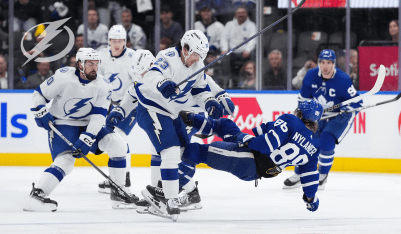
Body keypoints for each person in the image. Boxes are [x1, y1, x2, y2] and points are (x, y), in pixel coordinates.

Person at [106, 30, 224, 220]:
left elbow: (202, 88)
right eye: (195, 54)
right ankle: (166, 197)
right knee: (168, 151)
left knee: (180, 153)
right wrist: (119, 111)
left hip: (177, 113)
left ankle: (176, 193)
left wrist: (210, 101)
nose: (197, 59)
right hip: (153, 110)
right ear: (185, 49)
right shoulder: (166, 58)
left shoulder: (196, 63)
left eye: (200, 56)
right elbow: (148, 79)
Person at [143, 100, 324, 215]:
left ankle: (171, 194)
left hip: (248, 159)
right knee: (227, 125)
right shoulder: (314, 148)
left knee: (193, 151)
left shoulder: (291, 121)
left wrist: (246, 140)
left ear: (299, 113)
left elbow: (265, 144)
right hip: (254, 166)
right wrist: (311, 201)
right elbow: (310, 180)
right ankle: (192, 119)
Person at [23, 48, 140, 212]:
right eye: (90, 64)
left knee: (118, 144)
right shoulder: (63, 77)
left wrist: (87, 137)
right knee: (66, 161)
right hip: (63, 123)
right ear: (79, 64)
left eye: (96, 64)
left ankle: (119, 192)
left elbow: (99, 116)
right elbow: (38, 94)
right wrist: (40, 110)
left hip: (88, 123)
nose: (94, 67)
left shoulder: (103, 85)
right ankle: (37, 195)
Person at [284, 49, 362, 190]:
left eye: (329, 63)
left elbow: (358, 103)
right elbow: (303, 100)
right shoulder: (311, 76)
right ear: (319, 63)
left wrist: (346, 107)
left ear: (334, 64)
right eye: (323, 62)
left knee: (326, 139)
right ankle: (299, 174)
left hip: (340, 117)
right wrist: (306, 115)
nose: (326, 66)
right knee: (305, 140)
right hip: (320, 115)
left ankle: (322, 175)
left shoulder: (343, 79)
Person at [97, 25, 153, 194]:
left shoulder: (132, 57)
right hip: (111, 105)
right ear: (109, 41)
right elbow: (98, 79)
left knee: (118, 138)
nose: (117, 44)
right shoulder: (102, 56)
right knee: (113, 139)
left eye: (120, 41)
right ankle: (117, 178)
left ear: (125, 41)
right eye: (114, 41)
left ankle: (123, 179)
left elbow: (139, 82)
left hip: (131, 104)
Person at [220, 6, 256, 87]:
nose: (241, 15)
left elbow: (253, 39)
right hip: (231, 53)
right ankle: (226, 84)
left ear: (247, 14)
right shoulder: (229, 24)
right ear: (235, 15)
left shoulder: (251, 25)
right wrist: (224, 49)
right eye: (238, 13)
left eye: (243, 12)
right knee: (224, 58)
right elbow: (224, 37)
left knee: (253, 56)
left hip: (246, 53)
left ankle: (249, 84)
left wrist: (248, 50)